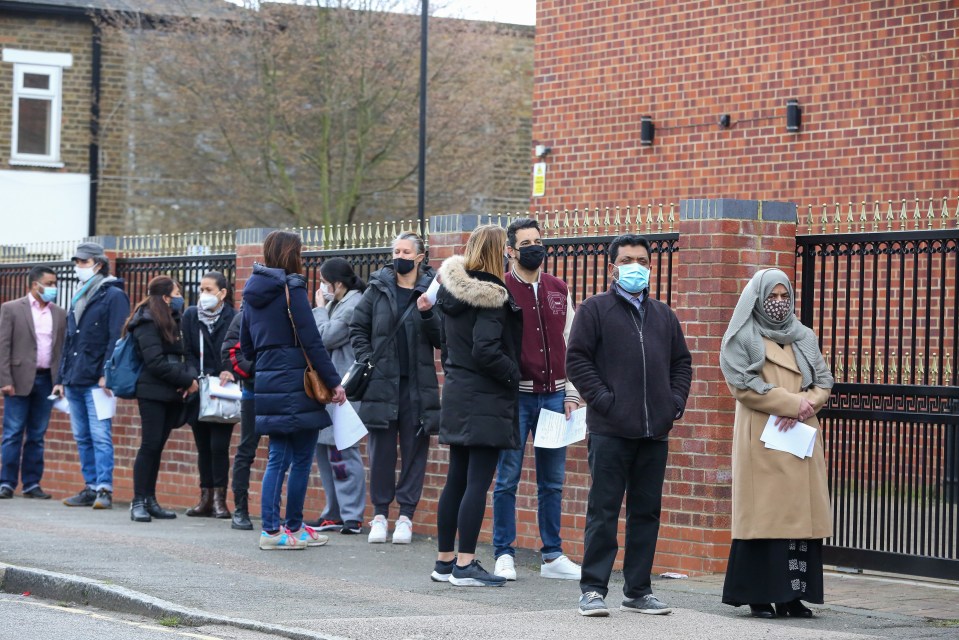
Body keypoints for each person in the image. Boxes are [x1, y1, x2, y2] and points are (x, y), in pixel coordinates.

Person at [566, 233, 692, 617]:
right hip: (610, 431)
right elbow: (578, 361)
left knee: (646, 512)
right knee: (603, 511)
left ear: (650, 267)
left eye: (641, 259)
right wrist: (606, 402)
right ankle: (592, 590)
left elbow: (681, 364)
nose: (634, 266)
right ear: (612, 267)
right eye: (626, 260)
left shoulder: (664, 316)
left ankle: (638, 590)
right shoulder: (594, 309)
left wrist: (673, 405)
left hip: (655, 432)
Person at [719, 269, 834, 619]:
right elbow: (741, 384)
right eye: (773, 295)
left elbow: (824, 379)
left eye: (785, 296)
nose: (779, 302)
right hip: (764, 436)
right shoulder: (743, 336)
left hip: (800, 434)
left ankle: (790, 596)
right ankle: (758, 595)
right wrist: (788, 402)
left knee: (798, 521)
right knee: (764, 520)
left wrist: (807, 404)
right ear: (758, 297)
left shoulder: (804, 336)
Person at [240, 230, 346, 550]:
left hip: (270, 377)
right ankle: (276, 530)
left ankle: (288, 528)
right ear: (290, 254)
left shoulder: (251, 290)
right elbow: (311, 339)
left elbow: (245, 345)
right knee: (294, 458)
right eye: (299, 252)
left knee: (284, 456)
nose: (302, 258)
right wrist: (333, 382)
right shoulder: (293, 287)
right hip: (298, 379)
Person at [431, 224, 522, 587]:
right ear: (498, 251)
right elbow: (486, 350)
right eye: (505, 250)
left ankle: (444, 561)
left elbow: (445, 344)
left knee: (456, 480)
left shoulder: (451, 292)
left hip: (457, 391)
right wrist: (514, 374)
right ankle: (466, 564)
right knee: (477, 483)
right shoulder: (491, 294)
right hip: (485, 397)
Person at [493, 218, 583, 581]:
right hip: (516, 398)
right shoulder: (500, 290)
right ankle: (503, 552)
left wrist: (573, 393)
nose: (535, 247)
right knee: (506, 479)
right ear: (510, 250)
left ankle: (553, 555)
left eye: (538, 241)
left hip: (555, 398)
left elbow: (574, 343)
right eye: (526, 242)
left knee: (552, 481)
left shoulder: (558, 288)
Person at [349, 230, 441, 545]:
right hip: (381, 382)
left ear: (419, 257)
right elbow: (357, 326)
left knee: (415, 450)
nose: (399, 257)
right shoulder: (377, 288)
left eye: (405, 252)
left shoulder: (433, 290)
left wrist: (429, 314)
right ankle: (379, 515)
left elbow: (443, 337)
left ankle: (405, 517)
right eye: (396, 251)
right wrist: (366, 356)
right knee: (381, 452)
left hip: (417, 385)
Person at [54, 242, 131, 510]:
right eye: (77, 262)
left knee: (100, 435)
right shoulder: (79, 294)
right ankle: (89, 486)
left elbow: (117, 337)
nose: (79, 267)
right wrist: (61, 378)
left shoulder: (113, 295)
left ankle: (104, 489)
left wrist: (106, 373)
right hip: (75, 377)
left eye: (84, 262)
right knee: (82, 436)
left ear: (98, 264)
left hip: (96, 379)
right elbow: (69, 340)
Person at [125, 277, 198, 522]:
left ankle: (151, 500)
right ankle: (138, 501)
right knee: (150, 444)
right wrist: (185, 380)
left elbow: (186, 354)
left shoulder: (175, 319)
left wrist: (189, 377)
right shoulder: (145, 321)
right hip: (152, 392)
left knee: (158, 447)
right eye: (177, 292)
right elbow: (154, 363)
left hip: (172, 392)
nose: (181, 297)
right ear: (165, 297)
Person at [307, 258, 367, 535]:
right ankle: (333, 511)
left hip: (344, 386)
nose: (321, 287)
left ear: (338, 284)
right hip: (326, 388)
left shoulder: (353, 304)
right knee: (324, 450)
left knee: (343, 450)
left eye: (324, 281)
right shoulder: (336, 304)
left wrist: (319, 310)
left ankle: (351, 514)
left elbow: (325, 337)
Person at [0, 266, 66, 500]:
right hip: (18, 380)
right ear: (34, 284)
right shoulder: (11, 309)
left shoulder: (59, 313)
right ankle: (6, 483)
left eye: (54, 283)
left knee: (37, 435)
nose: (53, 287)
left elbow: (61, 350)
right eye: (49, 283)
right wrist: (5, 380)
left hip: (46, 380)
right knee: (13, 433)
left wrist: (60, 381)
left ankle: (31, 483)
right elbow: (3, 346)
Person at [182, 272, 237, 519]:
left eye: (208, 289)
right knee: (202, 445)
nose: (203, 294)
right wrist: (193, 376)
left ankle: (219, 500)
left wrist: (229, 370)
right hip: (198, 387)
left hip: (223, 389)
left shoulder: (233, 317)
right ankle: (204, 498)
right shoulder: (190, 316)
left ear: (222, 293)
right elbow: (188, 352)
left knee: (219, 445)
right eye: (201, 289)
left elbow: (239, 349)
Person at [220, 309, 257, 530]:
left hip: (280, 390)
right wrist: (254, 371)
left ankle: (274, 511)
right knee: (247, 449)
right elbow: (231, 351)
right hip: (253, 391)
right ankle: (240, 510)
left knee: (281, 452)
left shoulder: (289, 309)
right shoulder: (245, 314)